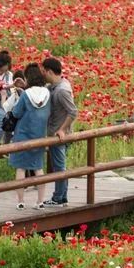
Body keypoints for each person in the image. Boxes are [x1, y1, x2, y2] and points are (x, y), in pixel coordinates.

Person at [8, 63, 51, 210]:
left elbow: (16, 113)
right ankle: (40, 201)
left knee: (20, 168)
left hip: (23, 134)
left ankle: (20, 201)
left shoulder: (26, 94)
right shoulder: (47, 93)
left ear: (28, 78)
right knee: (38, 168)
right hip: (39, 134)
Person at [42, 57, 78, 207]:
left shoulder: (62, 90)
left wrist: (61, 130)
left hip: (58, 135)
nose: (43, 74)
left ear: (50, 71)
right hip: (59, 132)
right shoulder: (59, 85)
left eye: (44, 72)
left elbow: (73, 112)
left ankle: (58, 198)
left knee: (59, 167)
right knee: (59, 165)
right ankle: (62, 196)